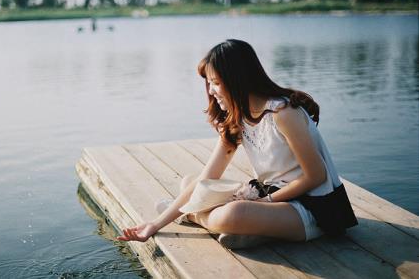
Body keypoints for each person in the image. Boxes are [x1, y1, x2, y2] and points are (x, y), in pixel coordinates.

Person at [117, 39, 357, 247]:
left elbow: (315, 177)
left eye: (216, 83)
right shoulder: (239, 117)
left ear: (238, 79)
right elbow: (206, 179)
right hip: (272, 198)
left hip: (313, 209)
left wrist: (263, 202)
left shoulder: (283, 113)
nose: (211, 91)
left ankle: (196, 218)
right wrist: (154, 225)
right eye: (208, 83)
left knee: (234, 213)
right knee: (191, 183)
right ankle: (256, 231)